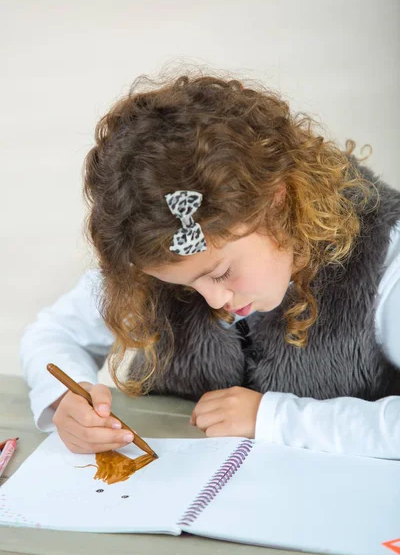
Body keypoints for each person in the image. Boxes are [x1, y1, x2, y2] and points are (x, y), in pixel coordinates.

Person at [21, 73, 400, 458]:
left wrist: (276, 419)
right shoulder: (168, 254)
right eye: (187, 286)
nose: (214, 298)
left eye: (220, 273)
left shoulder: (386, 258)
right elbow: (54, 333)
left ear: (277, 201)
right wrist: (66, 398)